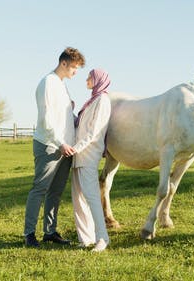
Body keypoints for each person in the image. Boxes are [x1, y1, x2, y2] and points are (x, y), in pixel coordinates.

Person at [24, 47, 85, 247]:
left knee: (56, 192)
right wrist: (60, 143)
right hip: (50, 145)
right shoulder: (47, 83)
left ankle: (49, 232)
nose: (76, 72)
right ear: (64, 63)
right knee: (40, 189)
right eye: (74, 67)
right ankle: (29, 235)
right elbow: (46, 119)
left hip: (66, 148)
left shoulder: (62, 85)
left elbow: (64, 116)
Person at [71, 68, 112, 252]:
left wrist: (76, 148)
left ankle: (103, 238)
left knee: (92, 197)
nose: (86, 79)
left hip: (88, 153)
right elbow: (80, 126)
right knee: (78, 199)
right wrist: (71, 112)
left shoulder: (103, 100)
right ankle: (85, 238)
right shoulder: (91, 101)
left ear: (98, 80)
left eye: (90, 77)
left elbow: (94, 131)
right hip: (78, 155)